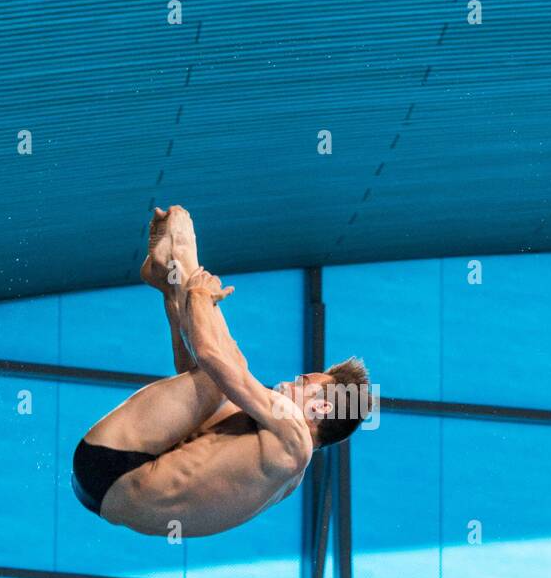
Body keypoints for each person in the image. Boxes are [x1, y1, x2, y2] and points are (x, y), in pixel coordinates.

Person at [71, 206, 372, 537]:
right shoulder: (286, 475)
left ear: (322, 406)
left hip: (111, 463)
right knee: (222, 380)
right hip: (107, 495)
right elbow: (195, 377)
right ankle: (169, 282)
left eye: (302, 383)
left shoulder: (291, 430)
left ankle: (185, 261)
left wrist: (199, 291)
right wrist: (177, 301)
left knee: (230, 370)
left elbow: (212, 357)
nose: (287, 383)